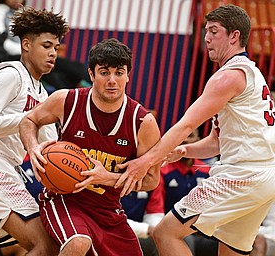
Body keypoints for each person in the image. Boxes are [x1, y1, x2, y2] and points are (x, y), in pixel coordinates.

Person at [116, 4, 275, 256]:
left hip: (242, 176)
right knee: (230, 251)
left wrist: (145, 160)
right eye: (206, 31)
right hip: (264, 177)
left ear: (234, 36)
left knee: (165, 232)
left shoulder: (228, 76)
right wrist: (186, 149)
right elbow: (218, 142)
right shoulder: (253, 73)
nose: (206, 38)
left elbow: (186, 125)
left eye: (214, 31)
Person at [19, 38, 161, 255]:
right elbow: (29, 121)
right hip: (64, 200)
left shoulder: (142, 122)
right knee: (78, 242)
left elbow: (151, 180)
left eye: (119, 72)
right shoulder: (67, 101)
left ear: (128, 75)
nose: (112, 80)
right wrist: (33, 147)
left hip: (108, 210)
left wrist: (107, 178)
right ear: (92, 74)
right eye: (104, 72)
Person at [0, 6, 69, 255]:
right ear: (26, 45)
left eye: (55, 47)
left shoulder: (43, 94)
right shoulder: (11, 74)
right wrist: (29, 119)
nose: (53, 53)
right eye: (46, 46)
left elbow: (50, 149)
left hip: (9, 170)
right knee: (44, 245)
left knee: (21, 250)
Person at [0, 0, 91, 91]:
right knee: (53, 76)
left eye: (56, 48)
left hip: (34, 50)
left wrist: (41, 48)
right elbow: (0, 42)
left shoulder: (26, 11)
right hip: (15, 55)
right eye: (47, 46)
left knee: (73, 69)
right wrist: (28, 49)